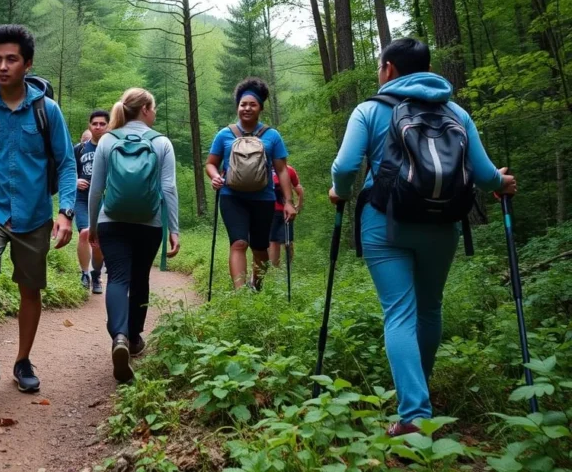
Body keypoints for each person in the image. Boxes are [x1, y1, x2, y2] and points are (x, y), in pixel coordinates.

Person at [329, 38, 517, 436]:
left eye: (381, 66)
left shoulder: (369, 110)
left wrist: (339, 192)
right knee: (429, 309)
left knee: (399, 312)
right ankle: (420, 396)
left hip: (385, 224)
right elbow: (485, 177)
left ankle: (414, 413)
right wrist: (503, 182)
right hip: (442, 225)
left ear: (390, 69)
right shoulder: (456, 113)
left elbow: (345, 165)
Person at [0, 24, 77, 398]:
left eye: (11, 59)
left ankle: (23, 361)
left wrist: (66, 211)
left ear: (27, 64)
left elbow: (67, 163)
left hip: (34, 212)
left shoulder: (47, 111)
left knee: (29, 289)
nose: (3, 66)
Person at [88, 88, 180, 383]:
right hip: (149, 222)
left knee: (117, 278)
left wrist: (92, 224)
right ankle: (136, 337)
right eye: (153, 108)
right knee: (140, 278)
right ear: (145, 110)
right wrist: (174, 228)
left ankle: (119, 337)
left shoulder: (107, 140)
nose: (155, 113)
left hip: (111, 220)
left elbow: (96, 189)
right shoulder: (162, 142)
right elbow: (168, 189)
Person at [206, 78, 296, 291]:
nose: (247, 108)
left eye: (252, 104)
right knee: (238, 243)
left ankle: (256, 284)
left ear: (260, 108)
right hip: (231, 196)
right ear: (237, 107)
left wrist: (289, 202)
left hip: (263, 198)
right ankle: (240, 295)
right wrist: (214, 176)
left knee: (260, 247)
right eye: (243, 104)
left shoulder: (272, 136)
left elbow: (282, 170)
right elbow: (211, 164)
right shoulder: (224, 134)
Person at [76, 110, 109, 293]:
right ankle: (84, 273)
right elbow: (66, 170)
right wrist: (75, 180)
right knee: (84, 233)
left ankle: (96, 274)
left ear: (108, 126)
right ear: (90, 125)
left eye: (102, 124)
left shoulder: (112, 149)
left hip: (104, 200)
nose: (98, 127)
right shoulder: (79, 149)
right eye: (95, 123)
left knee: (98, 240)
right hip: (82, 199)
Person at [269, 164, 304, 268]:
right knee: (274, 240)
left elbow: (298, 188)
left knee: (287, 241)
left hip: (286, 211)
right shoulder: (265, 170)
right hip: (271, 211)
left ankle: (288, 265)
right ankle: (275, 267)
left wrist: (298, 205)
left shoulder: (288, 170)